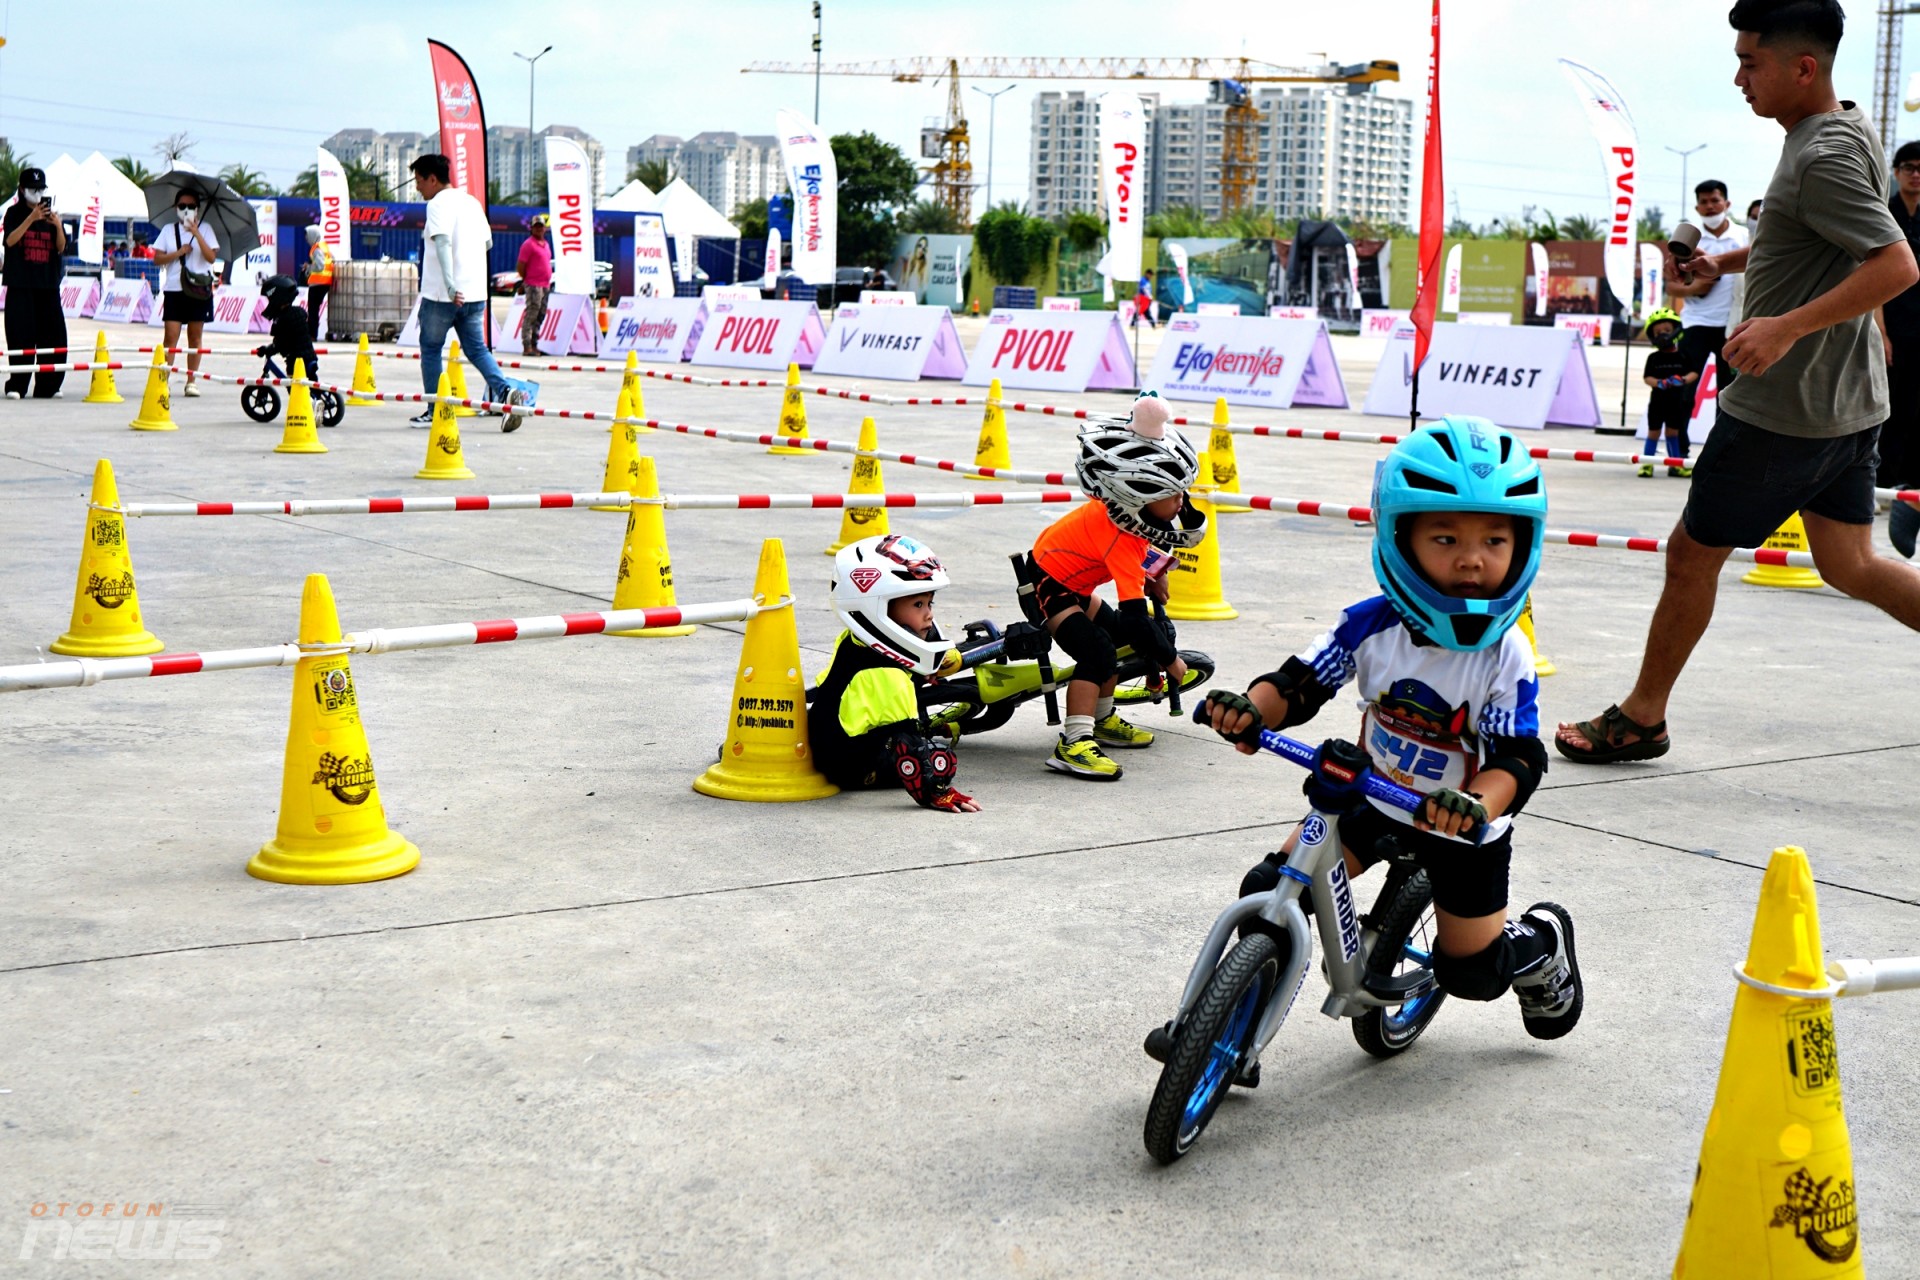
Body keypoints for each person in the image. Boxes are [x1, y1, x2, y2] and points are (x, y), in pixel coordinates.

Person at [1557, 0, 1920, 765]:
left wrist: (1786, 326)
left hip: (1787, 409)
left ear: (1803, 67)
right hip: (1849, 403)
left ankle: (1642, 716)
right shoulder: (1843, 127)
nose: (1737, 77)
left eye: (1751, 62)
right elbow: (1814, 242)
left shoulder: (1820, 154)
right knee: (1851, 565)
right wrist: (1724, 262)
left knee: (1693, 551)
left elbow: (1896, 264)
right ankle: (1646, 711)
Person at [1176, 417, 1581, 1053]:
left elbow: (1518, 757)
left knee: (1471, 974)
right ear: (1400, 538)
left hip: (1462, 832)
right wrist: (1250, 709)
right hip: (1368, 795)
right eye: (1445, 537)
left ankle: (1541, 944)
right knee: (1267, 891)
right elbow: (1300, 682)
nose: (1472, 558)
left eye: (1495, 540)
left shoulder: (1506, 655)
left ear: (1522, 546)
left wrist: (1477, 804)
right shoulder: (1370, 625)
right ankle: (1224, 1030)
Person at [1021, 391, 1200, 780]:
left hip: (1073, 583)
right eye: (1172, 494)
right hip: (1049, 585)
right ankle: (1073, 743)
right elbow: (1139, 621)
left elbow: (1140, 556)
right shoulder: (1121, 536)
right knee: (1099, 651)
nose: (1181, 500)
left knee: (1114, 635)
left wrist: (1157, 572)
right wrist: (1171, 661)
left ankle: (1102, 720)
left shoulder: (1125, 520)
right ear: (1139, 497)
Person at [808, 534, 981, 814]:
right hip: (854, 769)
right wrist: (937, 793)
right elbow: (908, 746)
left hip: (828, 744)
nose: (929, 616)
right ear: (878, 608)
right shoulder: (888, 675)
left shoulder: (852, 642)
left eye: (929, 603)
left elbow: (821, 688)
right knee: (941, 756)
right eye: (917, 605)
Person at [407, 153, 530, 431]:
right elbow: (487, 243)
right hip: (475, 295)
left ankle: (434, 409)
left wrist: (450, 284)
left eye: (419, 181)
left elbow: (442, 243)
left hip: (442, 295)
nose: (417, 188)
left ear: (433, 179)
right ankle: (505, 393)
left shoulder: (437, 204)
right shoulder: (472, 202)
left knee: (430, 348)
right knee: (476, 349)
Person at [1876, 141, 1920, 557]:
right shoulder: (1883, 212)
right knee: (1890, 409)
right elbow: (1871, 276)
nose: (1915, 175)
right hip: (1891, 327)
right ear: (1896, 171)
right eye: (1908, 167)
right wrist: (1881, 333)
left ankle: (1912, 489)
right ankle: (1885, 486)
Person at [1666, 179, 1751, 387]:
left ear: (1727, 204)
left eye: (1715, 200)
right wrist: (1694, 288)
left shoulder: (1745, 237)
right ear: (1697, 208)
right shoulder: (1688, 240)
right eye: (1704, 202)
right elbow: (1670, 285)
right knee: (1683, 391)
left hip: (1732, 325)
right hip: (1696, 322)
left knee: (1727, 389)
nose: (1710, 206)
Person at [3, 167, 68, 400]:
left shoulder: (51, 217)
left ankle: (49, 386)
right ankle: (17, 385)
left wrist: (58, 225)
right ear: (22, 189)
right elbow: (9, 241)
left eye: (41, 189)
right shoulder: (13, 213)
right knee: (20, 336)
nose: (37, 193)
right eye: (33, 189)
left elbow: (61, 247)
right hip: (21, 285)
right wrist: (31, 219)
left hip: (48, 286)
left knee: (54, 336)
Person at [153, 187, 219, 398]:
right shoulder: (168, 230)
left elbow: (211, 258)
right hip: (174, 288)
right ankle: (164, 378)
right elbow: (157, 259)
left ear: (198, 209)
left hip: (199, 288)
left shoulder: (206, 229)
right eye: (183, 206)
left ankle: (192, 380)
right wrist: (179, 252)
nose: (187, 210)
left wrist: (197, 233)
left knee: (195, 336)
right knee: (170, 336)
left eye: (191, 206)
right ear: (176, 208)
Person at [252, 274, 328, 425]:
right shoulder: (299, 312)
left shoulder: (281, 320)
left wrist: (267, 350)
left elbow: (280, 343)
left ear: (277, 299)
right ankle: (322, 402)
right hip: (310, 357)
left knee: (295, 388)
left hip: (296, 360)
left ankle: (310, 405)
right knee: (312, 381)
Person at [1637, 308, 1699, 477]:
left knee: (1673, 433)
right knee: (1653, 433)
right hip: (1657, 402)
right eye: (1658, 332)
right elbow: (1647, 377)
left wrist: (1684, 380)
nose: (1663, 335)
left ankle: (1675, 464)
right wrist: (1659, 383)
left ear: (1676, 331)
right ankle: (1647, 464)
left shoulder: (1683, 356)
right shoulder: (1654, 358)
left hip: (1675, 402)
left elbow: (1694, 372)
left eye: (1667, 331)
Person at [514, 214, 553, 357]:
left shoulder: (546, 245)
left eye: (541, 227)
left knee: (541, 314)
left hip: (545, 285)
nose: (539, 229)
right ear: (531, 228)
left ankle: (535, 344)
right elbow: (520, 265)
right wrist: (527, 279)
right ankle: (527, 345)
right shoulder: (528, 245)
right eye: (536, 227)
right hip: (533, 284)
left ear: (545, 229)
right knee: (531, 313)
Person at [302, 225, 334, 344]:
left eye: (307, 237)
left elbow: (320, 266)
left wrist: (309, 267)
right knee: (314, 309)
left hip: (317, 283)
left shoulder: (316, 249)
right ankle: (312, 333)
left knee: (313, 310)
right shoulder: (325, 247)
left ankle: (312, 335)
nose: (306, 240)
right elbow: (331, 260)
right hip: (325, 282)